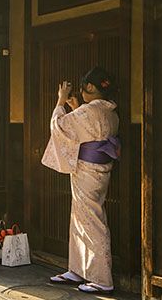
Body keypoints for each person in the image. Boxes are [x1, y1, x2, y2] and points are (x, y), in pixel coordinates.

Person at [42, 67, 120, 295]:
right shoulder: (109, 111)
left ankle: (102, 278)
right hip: (99, 169)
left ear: (91, 88)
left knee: (92, 220)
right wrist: (76, 108)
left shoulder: (90, 111)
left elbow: (59, 126)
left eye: (83, 88)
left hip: (87, 170)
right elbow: (86, 129)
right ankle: (77, 269)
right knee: (80, 216)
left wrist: (60, 100)